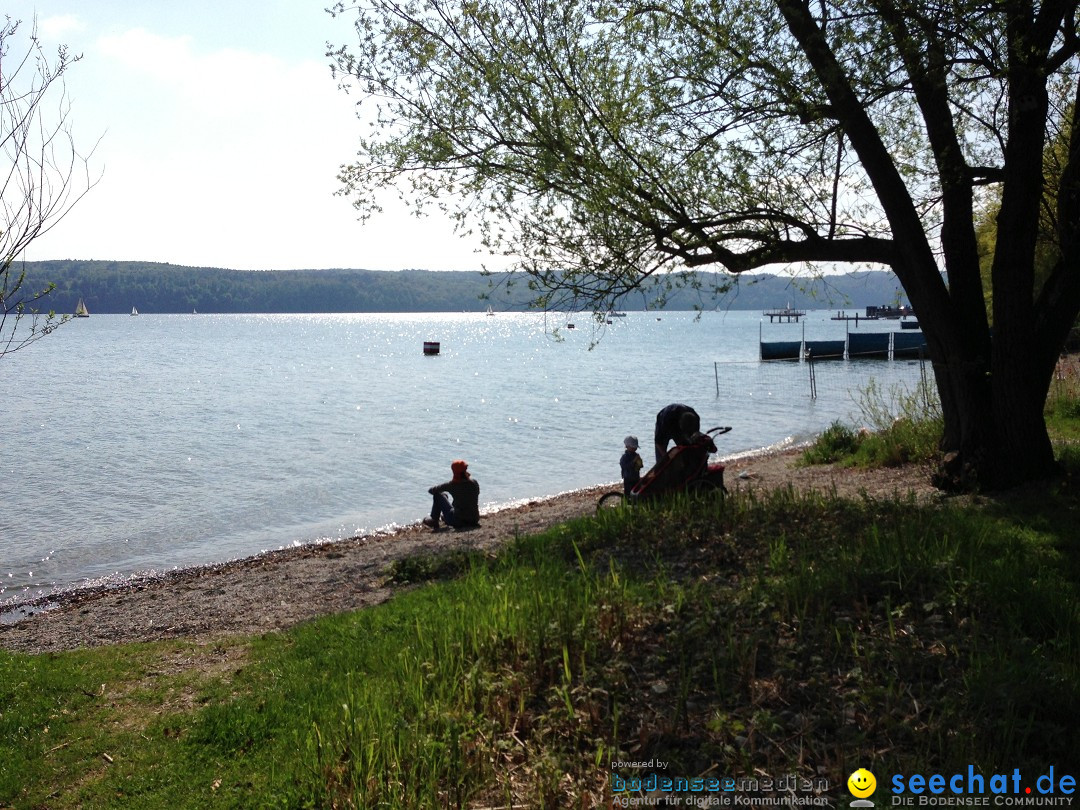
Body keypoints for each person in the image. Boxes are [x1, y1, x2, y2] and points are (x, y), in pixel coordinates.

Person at [423, 459, 480, 531]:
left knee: (439, 495)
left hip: (459, 521)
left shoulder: (452, 485)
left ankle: (434, 520)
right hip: (474, 519)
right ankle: (445, 517)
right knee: (458, 505)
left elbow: (432, 490)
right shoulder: (474, 483)